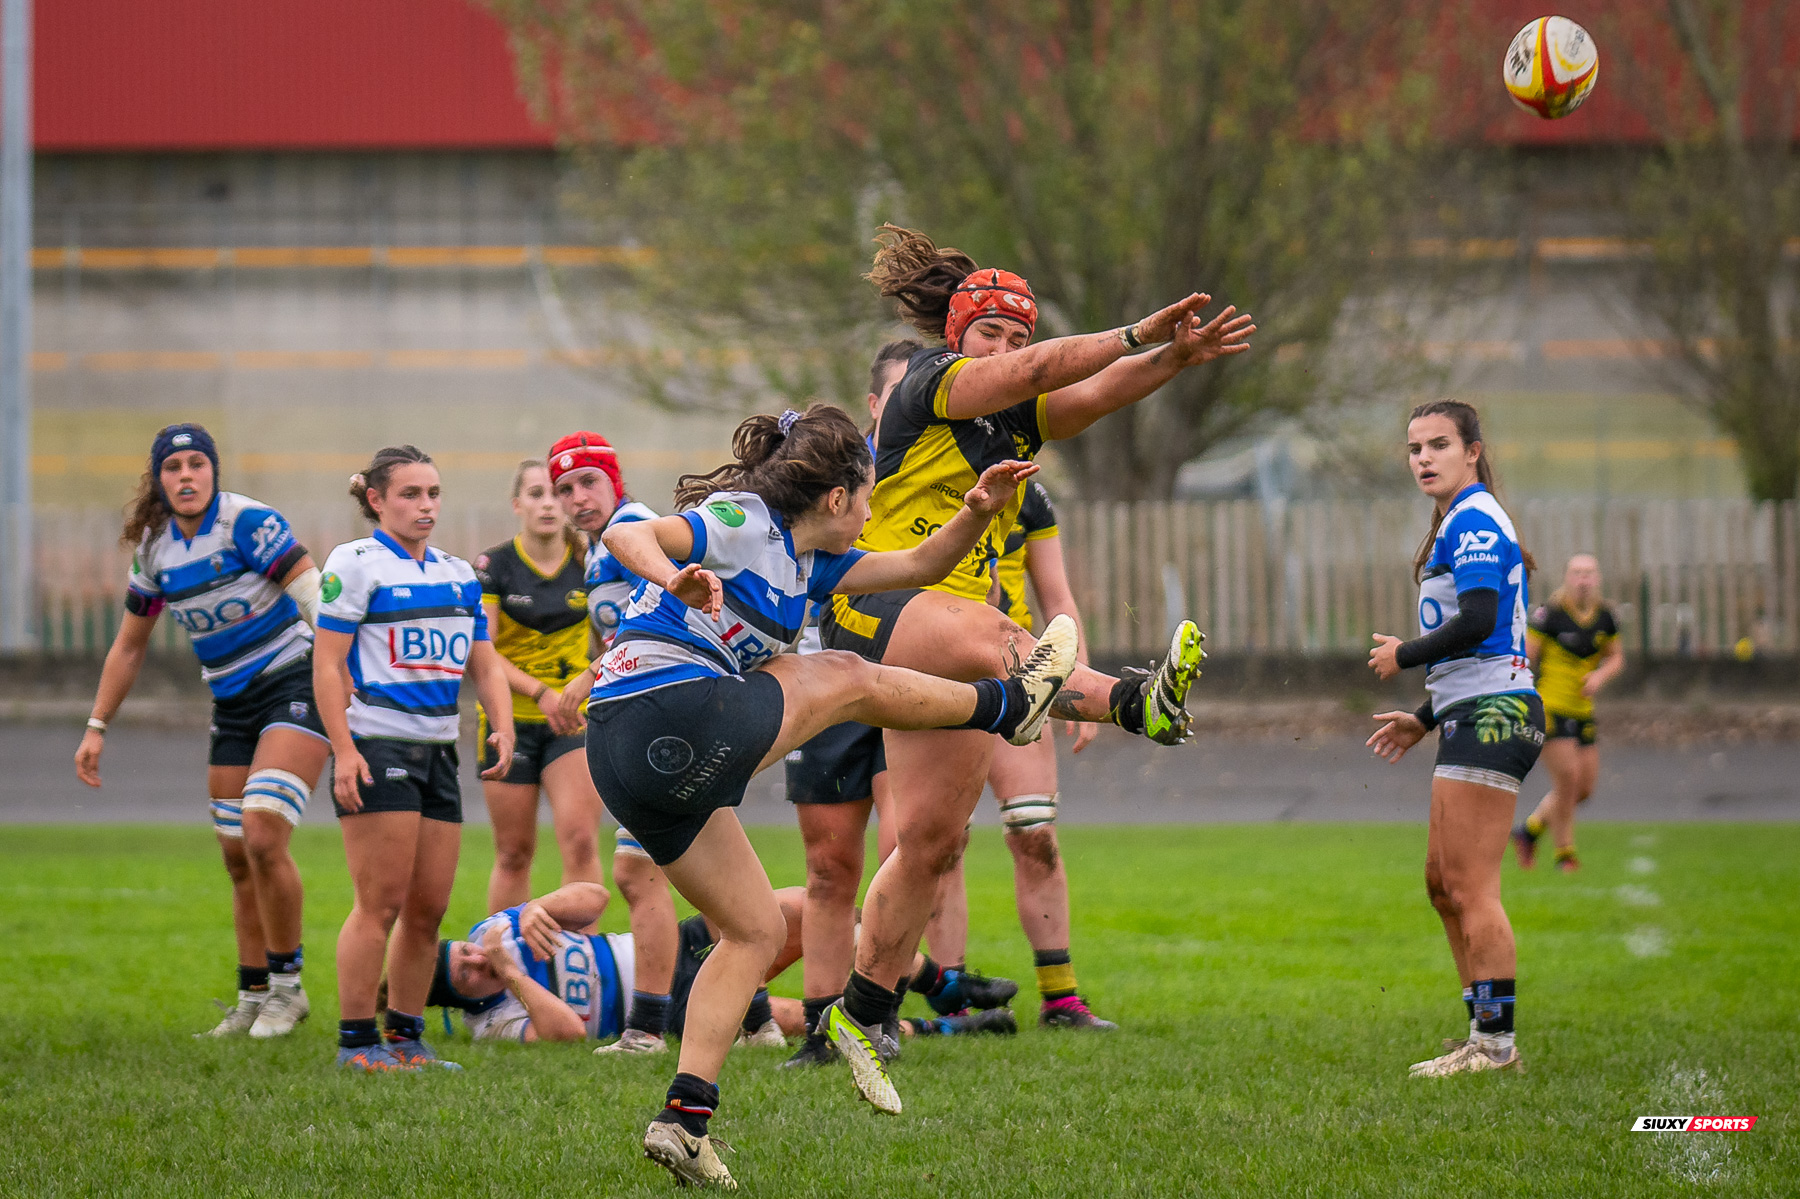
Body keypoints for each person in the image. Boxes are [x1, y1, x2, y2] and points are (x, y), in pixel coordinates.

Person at [817, 226, 1252, 1105]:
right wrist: (1135, 330)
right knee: (998, 633)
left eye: (1018, 334)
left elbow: (1093, 393)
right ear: (957, 333)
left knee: (931, 841)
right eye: (992, 332)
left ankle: (861, 1013)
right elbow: (1046, 369)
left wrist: (1173, 356)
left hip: (948, 627)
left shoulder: (1014, 415)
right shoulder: (934, 380)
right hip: (879, 602)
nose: (1006, 348)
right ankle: (1134, 701)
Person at [591, 403, 1078, 1187]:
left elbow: (919, 564)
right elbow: (628, 533)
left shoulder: (810, 563)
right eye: (870, 494)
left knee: (752, 930)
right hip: (663, 710)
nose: (873, 509)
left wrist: (977, 511)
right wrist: (670, 574)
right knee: (847, 676)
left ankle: (684, 1118)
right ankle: (1009, 704)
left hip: (622, 758)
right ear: (837, 496)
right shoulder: (746, 521)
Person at [780, 340, 1014, 1069]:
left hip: (905, 676)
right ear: (876, 404)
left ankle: (881, 1007)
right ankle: (823, 1030)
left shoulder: (954, 474)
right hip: (826, 681)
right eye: (897, 394)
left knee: (916, 844)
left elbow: (965, 574)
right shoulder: (831, 478)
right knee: (828, 865)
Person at [75, 423, 328, 1039]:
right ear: (158, 479)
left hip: (293, 682)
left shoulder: (247, 523)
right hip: (233, 704)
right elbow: (129, 646)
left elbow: (315, 598)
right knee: (238, 856)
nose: (186, 475)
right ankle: (253, 995)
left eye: (197, 464)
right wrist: (96, 725)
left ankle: (289, 991)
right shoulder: (154, 549)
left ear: (214, 471)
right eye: (174, 467)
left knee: (263, 834)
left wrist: (347, 680)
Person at [312, 445, 517, 1072]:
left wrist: (503, 724)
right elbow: (327, 663)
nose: (426, 506)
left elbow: (485, 661)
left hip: (437, 752)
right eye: (410, 494)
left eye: (433, 493)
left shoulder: (457, 573)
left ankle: (405, 1038)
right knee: (380, 904)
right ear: (376, 500)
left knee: (427, 910)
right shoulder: (354, 564)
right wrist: (344, 750)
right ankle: (356, 1043)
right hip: (378, 746)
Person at [1366, 399, 1543, 1078]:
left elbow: (1478, 621)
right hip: (1475, 708)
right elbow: (1481, 650)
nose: (1423, 458)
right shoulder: (1458, 519)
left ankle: (1495, 1046)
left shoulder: (1472, 518)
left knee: (1470, 886)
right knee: (1442, 883)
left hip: (1495, 714)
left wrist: (1404, 654)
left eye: (1439, 444)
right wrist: (1425, 714)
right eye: (1415, 448)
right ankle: (1481, 1030)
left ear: (1473, 451)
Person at [925, 476, 1117, 1030]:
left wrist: (1079, 687)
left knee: (1036, 834)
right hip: (940, 679)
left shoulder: (1029, 496)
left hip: (1018, 681)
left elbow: (1058, 599)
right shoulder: (915, 480)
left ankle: (1061, 1000)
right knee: (942, 844)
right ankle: (956, 1003)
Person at [429, 882, 1017, 1046]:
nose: (479, 958)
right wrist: (513, 975)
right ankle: (945, 1028)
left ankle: (942, 984)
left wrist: (540, 906)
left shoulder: (494, 932)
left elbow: (597, 898)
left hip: (668, 949)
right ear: (464, 1001)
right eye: (468, 973)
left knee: (811, 910)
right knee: (801, 1019)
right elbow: (566, 1034)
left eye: (466, 950)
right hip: (667, 1009)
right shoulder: (492, 1023)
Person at [544, 433, 683, 1056]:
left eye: (588, 482)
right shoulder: (600, 549)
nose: (577, 498)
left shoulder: (634, 529)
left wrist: (584, 680)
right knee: (698, 873)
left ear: (614, 481)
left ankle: (646, 1029)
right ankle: (756, 1017)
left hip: (670, 715)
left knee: (635, 871)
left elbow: (670, 616)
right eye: (564, 489)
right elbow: (621, 634)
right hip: (648, 715)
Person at [473, 461, 603, 916]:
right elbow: (482, 652)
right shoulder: (494, 566)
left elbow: (611, 641)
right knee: (513, 853)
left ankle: (581, 955)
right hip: (509, 723)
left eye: (555, 493)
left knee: (582, 842)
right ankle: (502, 954)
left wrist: (587, 685)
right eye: (535, 494)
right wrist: (541, 693)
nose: (547, 504)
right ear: (517, 505)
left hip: (573, 722)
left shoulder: (591, 562)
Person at [1512, 555, 1623, 873]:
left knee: (1584, 789)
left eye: (1589, 573)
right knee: (1568, 782)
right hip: (1552, 708)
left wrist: (1600, 676)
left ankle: (1529, 830)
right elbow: (1526, 659)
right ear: (1566, 577)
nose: (1583, 579)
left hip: (1583, 710)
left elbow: (1616, 658)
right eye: (1577, 573)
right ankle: (1565, 855)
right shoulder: (1549, 615)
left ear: (1598, 578)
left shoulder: (1606, 616)